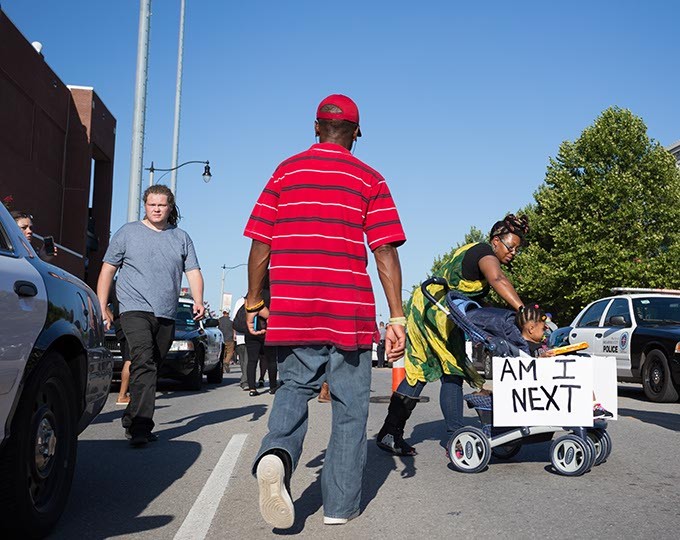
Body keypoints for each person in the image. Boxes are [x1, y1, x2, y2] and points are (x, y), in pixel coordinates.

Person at [244, 94, 406, 529]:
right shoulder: (370, 179)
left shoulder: (286, 171)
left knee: (293, 389)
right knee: (351, 408)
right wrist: (397, 317)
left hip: (295, 307)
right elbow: (385, 252)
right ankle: (338, 507)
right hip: (348, 308)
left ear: (315, 127)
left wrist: (254, 298)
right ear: (357, 132)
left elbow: (262, 242)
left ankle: (276, 454)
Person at [376, 214, 530, 456]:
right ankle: (452, 436)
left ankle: (394, 432)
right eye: (511, 246)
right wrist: (522, 310)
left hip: (444, 316)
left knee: (445, 372)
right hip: (429, 312)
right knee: (434, 371)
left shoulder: (482, 260)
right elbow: (498, 278)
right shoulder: (483, 253)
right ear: (496, 241)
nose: (513, 253)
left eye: (517, 250)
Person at [96, 184, 205, 447]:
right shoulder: (128, 233)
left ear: (170, 207)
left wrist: (198, 300)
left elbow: (193, 272)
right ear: (144, 206)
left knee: (152, 365)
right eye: (151, 204)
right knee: (143, 361)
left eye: (162, 205)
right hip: (133, 309)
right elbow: (108, 269)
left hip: (165, 313)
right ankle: (142, 428)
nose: (156, 209)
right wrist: (103, 306)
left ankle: (132, 417)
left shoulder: (181, 237)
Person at [517, 306, 613, 419]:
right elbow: (522, 367)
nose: (546, 329)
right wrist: (539, 359)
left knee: (580, 363)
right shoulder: (522, 347)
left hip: (552, 380)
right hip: (543, 386)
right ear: (531, 328)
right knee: (577, 370)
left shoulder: (539, 344)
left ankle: (593, 405)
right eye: (543, 328)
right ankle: (591, 406)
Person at [245, 274, 276, 396]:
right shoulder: (272, 295)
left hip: (252, 330)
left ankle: (252, 388)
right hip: (269, 330)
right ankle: (273, 386)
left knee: (252, 360)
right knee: (271, 360)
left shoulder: (251, 295)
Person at [109, 281, 132, 405]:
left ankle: (126, 394)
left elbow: (100, 299)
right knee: (130, 359)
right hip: (130, 322)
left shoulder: (115, 284)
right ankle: (122, 395)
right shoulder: (131, 282)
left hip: (119, 323)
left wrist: (111, 317)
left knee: (127, 359)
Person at [233, 296, 250, 390]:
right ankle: (245, 381)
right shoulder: (255, 300)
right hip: (250, 335)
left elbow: (234, 319)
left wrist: (234, 334)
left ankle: (245, 379)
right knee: (248, 360)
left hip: (239, 337)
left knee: (243, 360)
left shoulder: (239, 301)